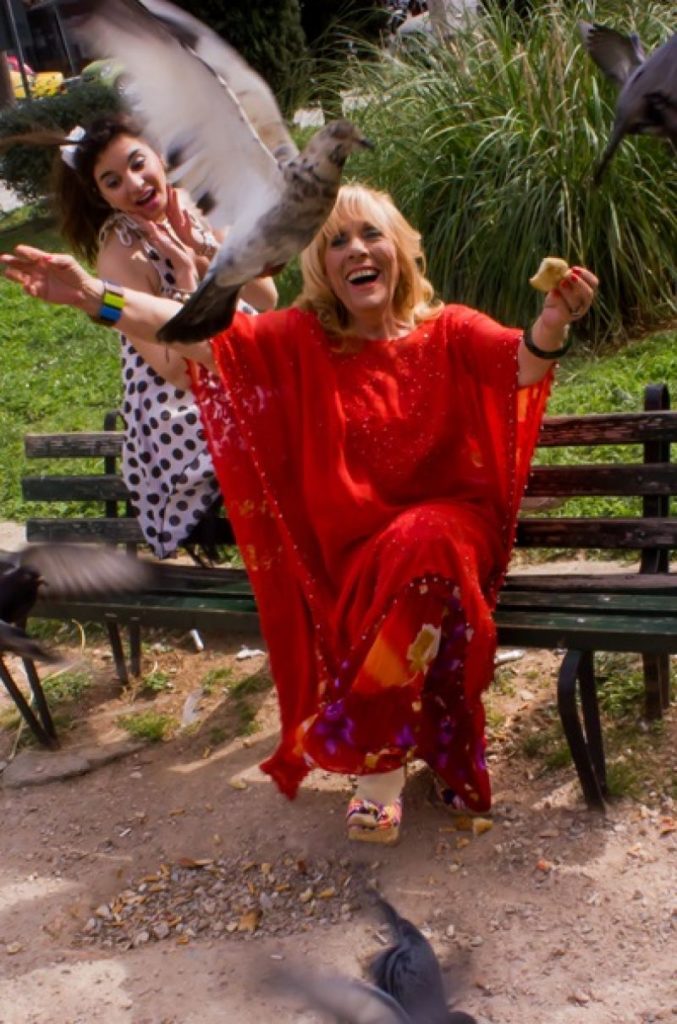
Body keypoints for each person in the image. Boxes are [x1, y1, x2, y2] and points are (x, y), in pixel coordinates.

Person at [1, 183, 598, 845]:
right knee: (406, 583)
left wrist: (552, 322)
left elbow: (520, 364)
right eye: (336, 242)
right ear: (321, 268)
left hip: (450, 534)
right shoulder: (302, 343)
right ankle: (423, 750)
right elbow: (195, 331)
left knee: (426, 543)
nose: (355, 250)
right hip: (354, 563)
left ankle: (374, 762)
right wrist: (95, 295)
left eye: (369, 234)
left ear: (400, 250)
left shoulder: (452, 330)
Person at [4, 114, 277, 559]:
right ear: (102, 196)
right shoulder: (121, 254)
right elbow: (176, 372)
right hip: (181, 409)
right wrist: (186, 278)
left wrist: (205, 251)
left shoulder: (200, 204)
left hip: (242, 365)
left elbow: (266, 296)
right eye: (112, 181)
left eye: (137, 163)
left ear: (159, 154)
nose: (133, 184)